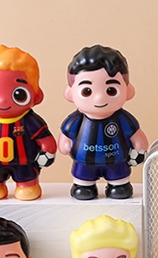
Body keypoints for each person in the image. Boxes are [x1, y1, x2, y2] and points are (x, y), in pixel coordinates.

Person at [60, 45, 148, 200]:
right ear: (70, 93)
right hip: (84, 162)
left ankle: (119, 185)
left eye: (111, 90)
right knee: (83, 184)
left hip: (117, 161)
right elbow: (66, 135)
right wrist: (65, 143)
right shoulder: (77, 120)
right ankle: (83, 186)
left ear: (128, 91)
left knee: (120, 186)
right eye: (87, 91)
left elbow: (136, 134)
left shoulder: (123, 119)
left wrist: (139, 145)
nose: (100, 98)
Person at [0, 45, 57, 201]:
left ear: (36, 95)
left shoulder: (29, 120)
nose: (3, 100)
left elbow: (44, 136)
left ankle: (27, 186)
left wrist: (48, 148)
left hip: (24, 162)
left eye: (19, 94)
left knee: (27, 182)